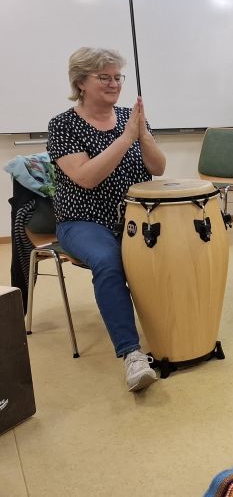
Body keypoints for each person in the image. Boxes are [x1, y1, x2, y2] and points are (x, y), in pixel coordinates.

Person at [47, 47, 166, 392]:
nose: (114, 84)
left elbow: (158, 168)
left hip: (133, 217)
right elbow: (86, 177)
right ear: (81, 82)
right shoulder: (63, 124)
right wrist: (127, 138)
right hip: (83, 221)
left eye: (117, 77)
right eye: (104, 77)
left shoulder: (131, 117)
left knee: (171, 250)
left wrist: (142, 135)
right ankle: (132, 354)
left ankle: (175, 331)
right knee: (108, 261)